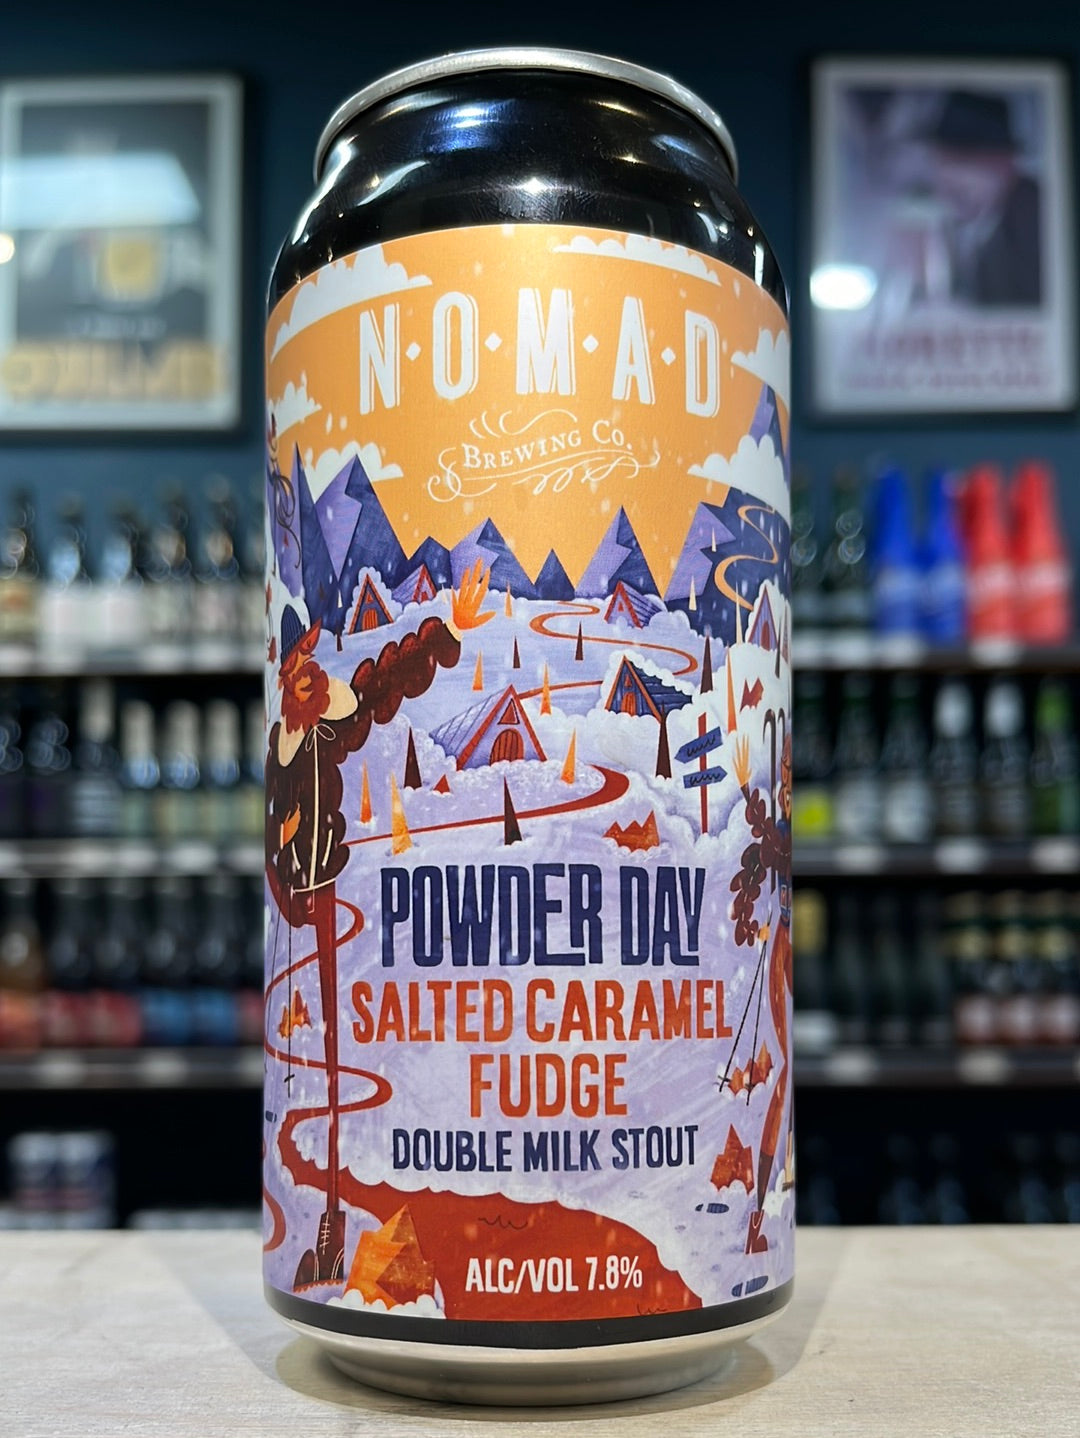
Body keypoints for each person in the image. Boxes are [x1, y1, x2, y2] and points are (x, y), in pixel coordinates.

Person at [926, 90, 1041, 307]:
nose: (948, 194)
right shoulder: (958, 225)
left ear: (1004, 163)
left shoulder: (1040, 216)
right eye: (942, 171)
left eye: (963, 165)